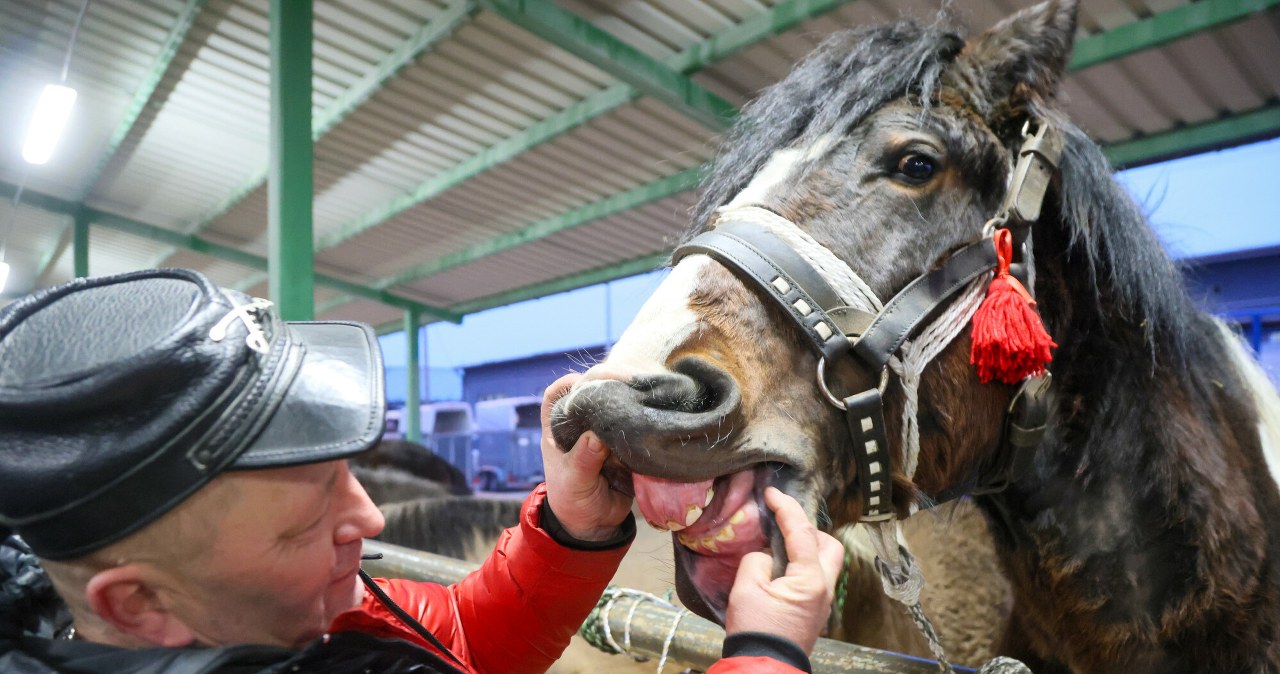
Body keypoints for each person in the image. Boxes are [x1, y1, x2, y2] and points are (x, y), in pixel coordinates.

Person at [0, 269, 844, 674]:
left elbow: (459, 639)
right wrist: (767, 653)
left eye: (343, 475)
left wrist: (569, 526)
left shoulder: (275, 614)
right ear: (140, 603)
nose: (368, 521)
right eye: (307, 524)